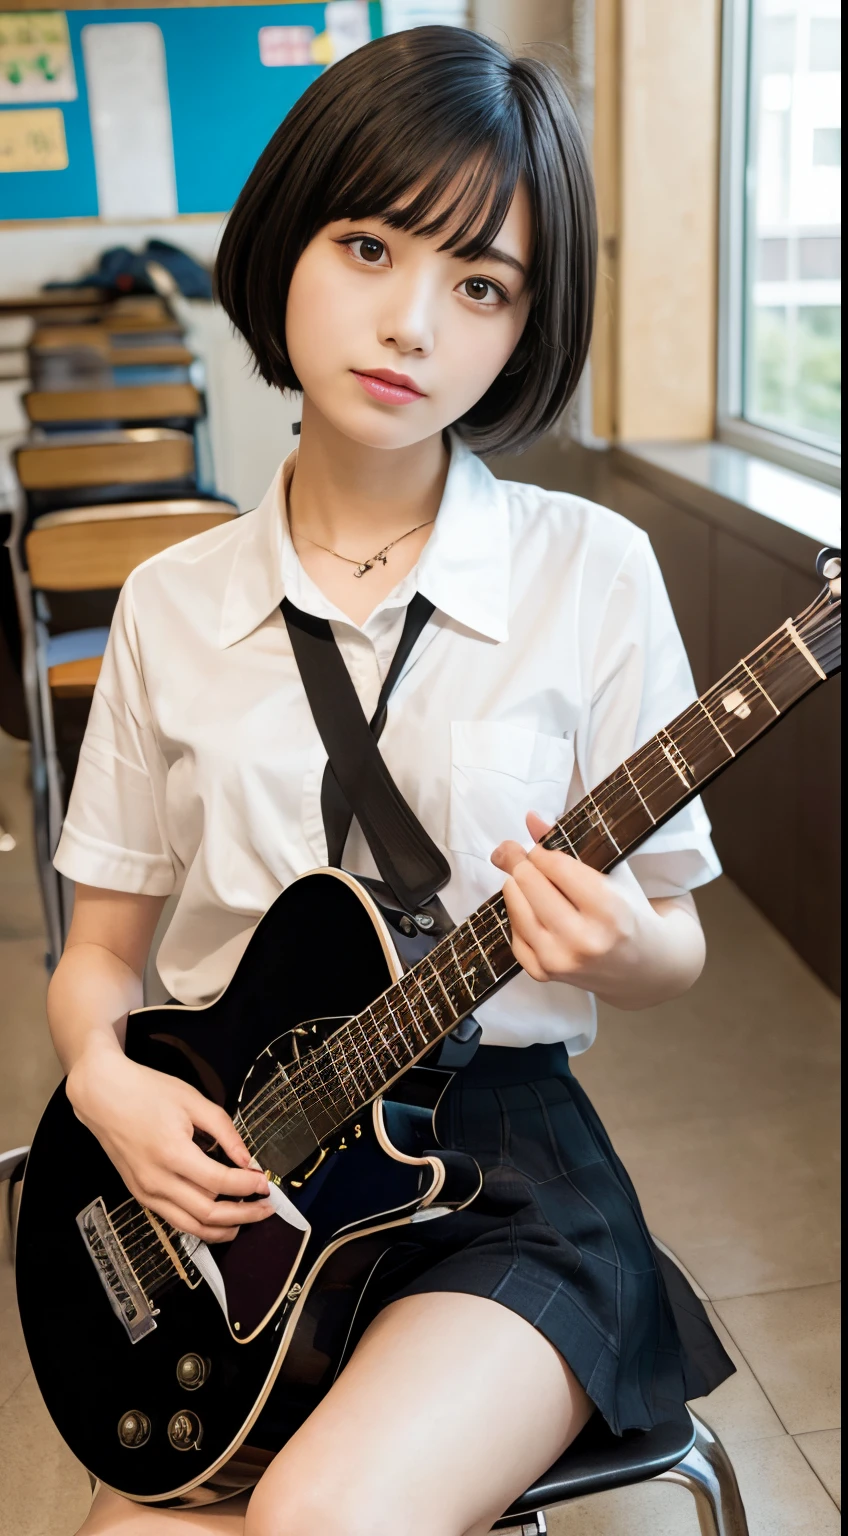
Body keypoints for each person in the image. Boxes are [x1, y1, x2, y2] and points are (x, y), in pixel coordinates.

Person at [48, 26, 733, 1536]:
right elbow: (98, 955)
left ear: (523, 332)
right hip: (230, 1177)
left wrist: (623, 946)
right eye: (369, 244)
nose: (412, 322)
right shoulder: (167, 603)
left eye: (480, 284)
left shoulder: (595, 573)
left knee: (321, 1519)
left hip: (500, 1173)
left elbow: (676, 939)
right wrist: (105, 1085)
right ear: (289, 238)